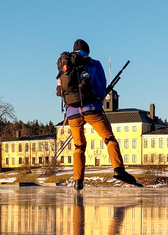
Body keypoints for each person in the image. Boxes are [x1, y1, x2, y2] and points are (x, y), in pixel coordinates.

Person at [57, 39, 138, 190]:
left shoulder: (64, 66)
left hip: (72, 112)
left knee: (79, 146)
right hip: (91, 108)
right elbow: (101, 86)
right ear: (87, 51)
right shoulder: (94, 63)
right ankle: (119, 170)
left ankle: (77, 181)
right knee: (109, 138)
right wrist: (99, 99)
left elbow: (61, 90)